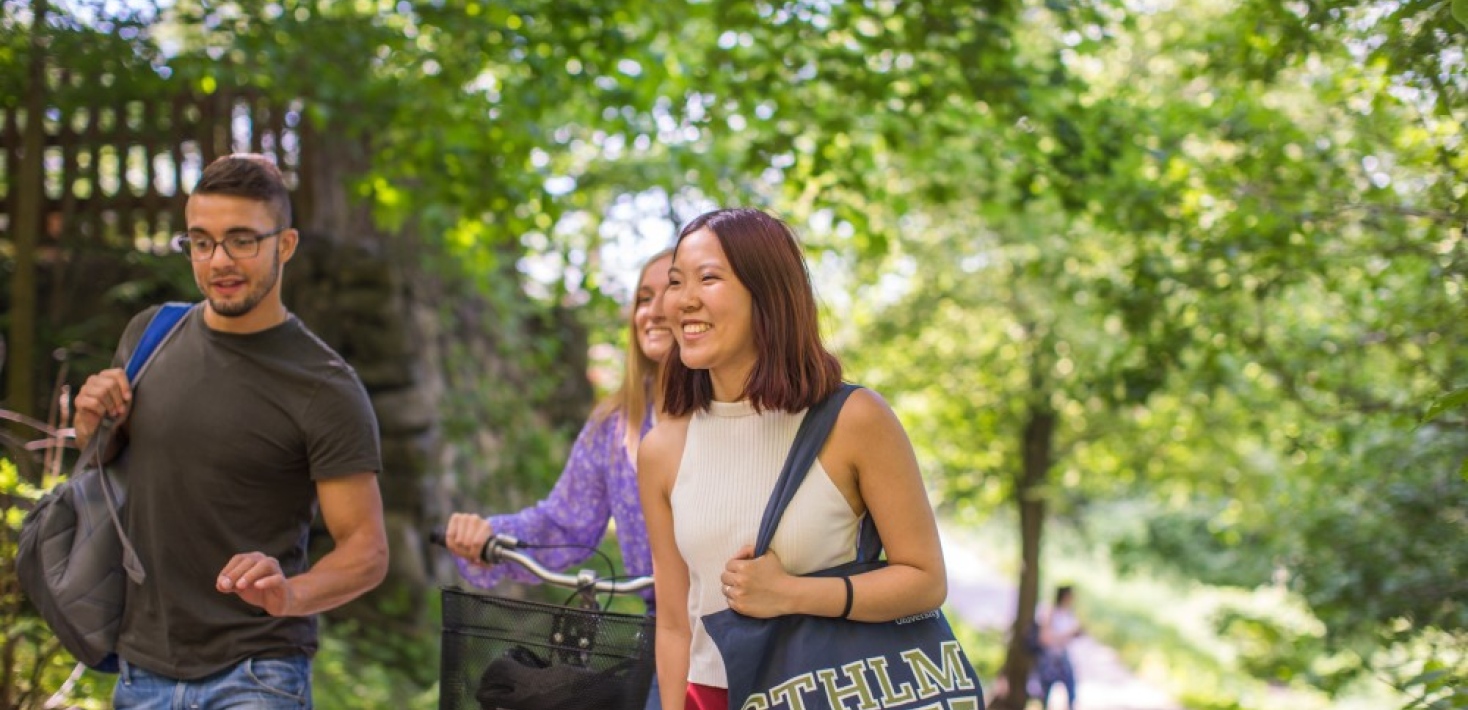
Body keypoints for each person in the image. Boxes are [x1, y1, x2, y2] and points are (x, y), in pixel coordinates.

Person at [71, 153, 388, 708]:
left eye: (242, 240)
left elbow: (366, 550)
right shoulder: (151, 335)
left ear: (284, 245)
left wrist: (290, 594)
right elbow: (106, 459)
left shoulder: (326, 385)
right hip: (139, 672)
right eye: (201, 241)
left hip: (256, 675)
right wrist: (89, 420)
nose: (219, 260)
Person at [637, 207, 952, 710]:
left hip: (823, 691)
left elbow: (926, 580)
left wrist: (791, 594)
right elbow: (675, 624)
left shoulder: (854, 420)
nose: (683, 300)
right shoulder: (662, 451)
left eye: (709, 278)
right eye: (677, 282)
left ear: (768, 294)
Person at [441, 248, 674, 599]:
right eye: (643, 298)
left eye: (671, 292)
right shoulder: (615, 424)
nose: (652, 312)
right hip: (660, 628)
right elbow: (565, 525)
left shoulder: (738, 411)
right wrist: (489, 535)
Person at [1037, 585, 1082, 709]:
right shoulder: (1050, 612)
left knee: (1071, 693)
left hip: (1064, 656)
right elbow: (1045, 638)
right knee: (1044, 693)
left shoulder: (1069, 614)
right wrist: (1067, 635)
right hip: (1050, 658)